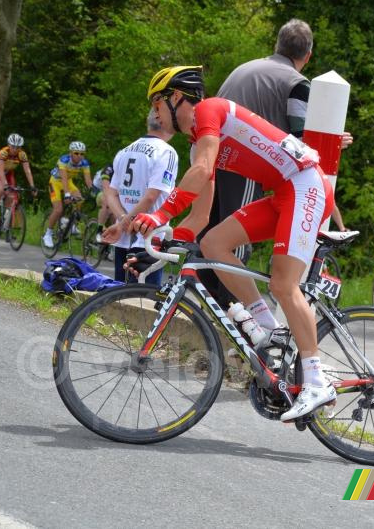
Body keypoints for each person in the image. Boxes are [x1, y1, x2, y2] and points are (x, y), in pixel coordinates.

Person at [132, 65, 336, 420]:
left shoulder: (211, 110)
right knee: (212, 243)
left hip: (306, 185)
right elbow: (198, 217)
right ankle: (269, 332)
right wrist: (160, 248)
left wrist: (161, 214)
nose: (155, 113)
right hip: (285, 192)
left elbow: (204, 171)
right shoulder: (198, 144)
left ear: (176, 97)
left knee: (284, 284)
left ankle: (317, 383)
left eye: (157, 104)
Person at [200, 18, 352, 310]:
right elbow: (299, 141)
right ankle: (233, 319)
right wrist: (332, 142)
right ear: (307, 56)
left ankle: (208, 314)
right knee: (235, 244)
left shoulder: (245, 68)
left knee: (210, 236)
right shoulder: (296, 83)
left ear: (276, 45)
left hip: (212, 156)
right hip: (242, 165)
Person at [101, 109, 178, 284]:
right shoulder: (167, 152)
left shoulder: (124, 151)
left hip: (122, 238)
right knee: (147, 300)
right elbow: (151, 197)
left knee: (120, 297)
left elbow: (111, 193)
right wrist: (127, 222)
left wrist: (122, 221)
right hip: (148, 240)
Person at [43, 141, 92, 247]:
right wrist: (67, 194)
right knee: (58, 209)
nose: (79, 156)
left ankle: (71, 223)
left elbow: (88, 180)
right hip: (56, 182)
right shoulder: (64, 160)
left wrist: (93, 192)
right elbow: (64, 178)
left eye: (82, 154)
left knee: (80, 199)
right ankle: (48, 234)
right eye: (76, 153)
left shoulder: (84, 163)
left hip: (68, 183)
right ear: (71, 153)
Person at [0, 133, 36, 224]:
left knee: (12, 194)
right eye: (13, 146)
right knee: (2, 189)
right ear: (8, 145)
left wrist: (32, 186)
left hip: (9, 173)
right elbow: (1, 171)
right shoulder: (3, 152)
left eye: (18, 147)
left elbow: (27, 171)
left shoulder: (22, 155)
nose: (15, 149)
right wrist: (5, 185)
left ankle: (5, 221)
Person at [92, 163, 114, 243]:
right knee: (106, 201)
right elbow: (106, 189)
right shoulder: (109, 169)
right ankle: (99, 230)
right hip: (98, 189)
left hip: (111, 190)